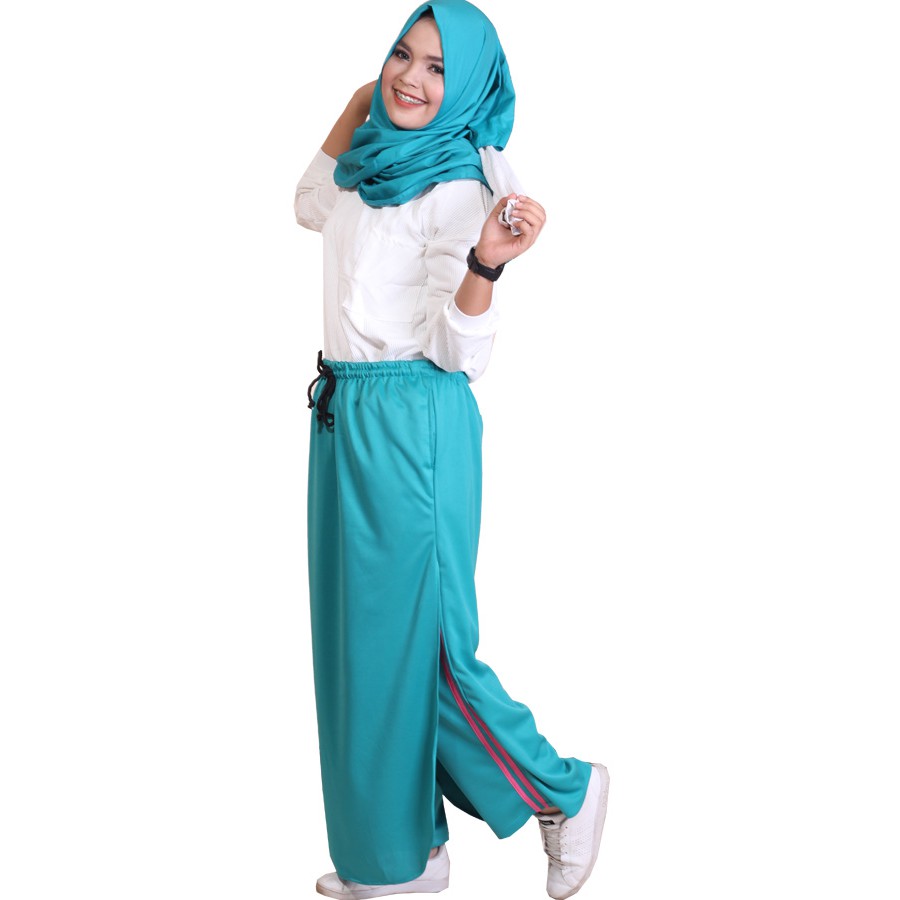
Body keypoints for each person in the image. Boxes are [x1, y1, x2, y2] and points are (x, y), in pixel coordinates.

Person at [294, 2, 608, 897]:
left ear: (468, 84)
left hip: (414, 421)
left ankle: (565, 791)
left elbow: (461, 355)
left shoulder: (464, 188)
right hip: (343, 410)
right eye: (402, 55)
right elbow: (308, 204)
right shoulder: (369, 163)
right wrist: (355, 104)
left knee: (423, 650)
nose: (410, 78)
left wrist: (486, 264)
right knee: (360, 646)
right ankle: (400, 855)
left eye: (438, 67)